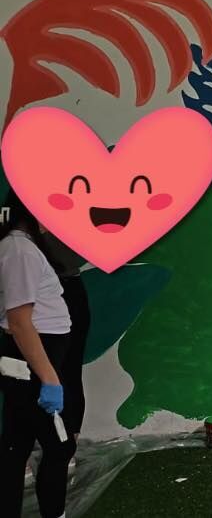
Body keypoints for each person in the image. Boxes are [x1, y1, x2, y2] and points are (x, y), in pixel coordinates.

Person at [0, 191, 75, 518]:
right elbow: (19, 322)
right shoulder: (19, 250)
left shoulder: (22, 247)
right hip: (32, 359)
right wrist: (49, 379)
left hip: (33, 358)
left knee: (15, 445)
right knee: (59, 447)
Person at [42, 232, 89, 441]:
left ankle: (68, 442)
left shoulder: (68, 226)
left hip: (66, 289)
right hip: (45, 291)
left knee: (67, 370)